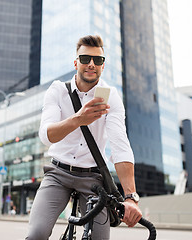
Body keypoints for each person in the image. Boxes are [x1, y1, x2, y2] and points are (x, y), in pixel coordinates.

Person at [26, 35, 142, 240]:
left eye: (98, 60)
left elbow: (120, 146)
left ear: (103, 65)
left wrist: (131, 197)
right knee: (37, 234)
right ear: (76, 62)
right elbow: (46, 136)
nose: (91, 64)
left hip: (93, 178)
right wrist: (78, 119)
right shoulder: (58, 91)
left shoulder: (110, 96)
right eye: (85, 58)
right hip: (58, 173)